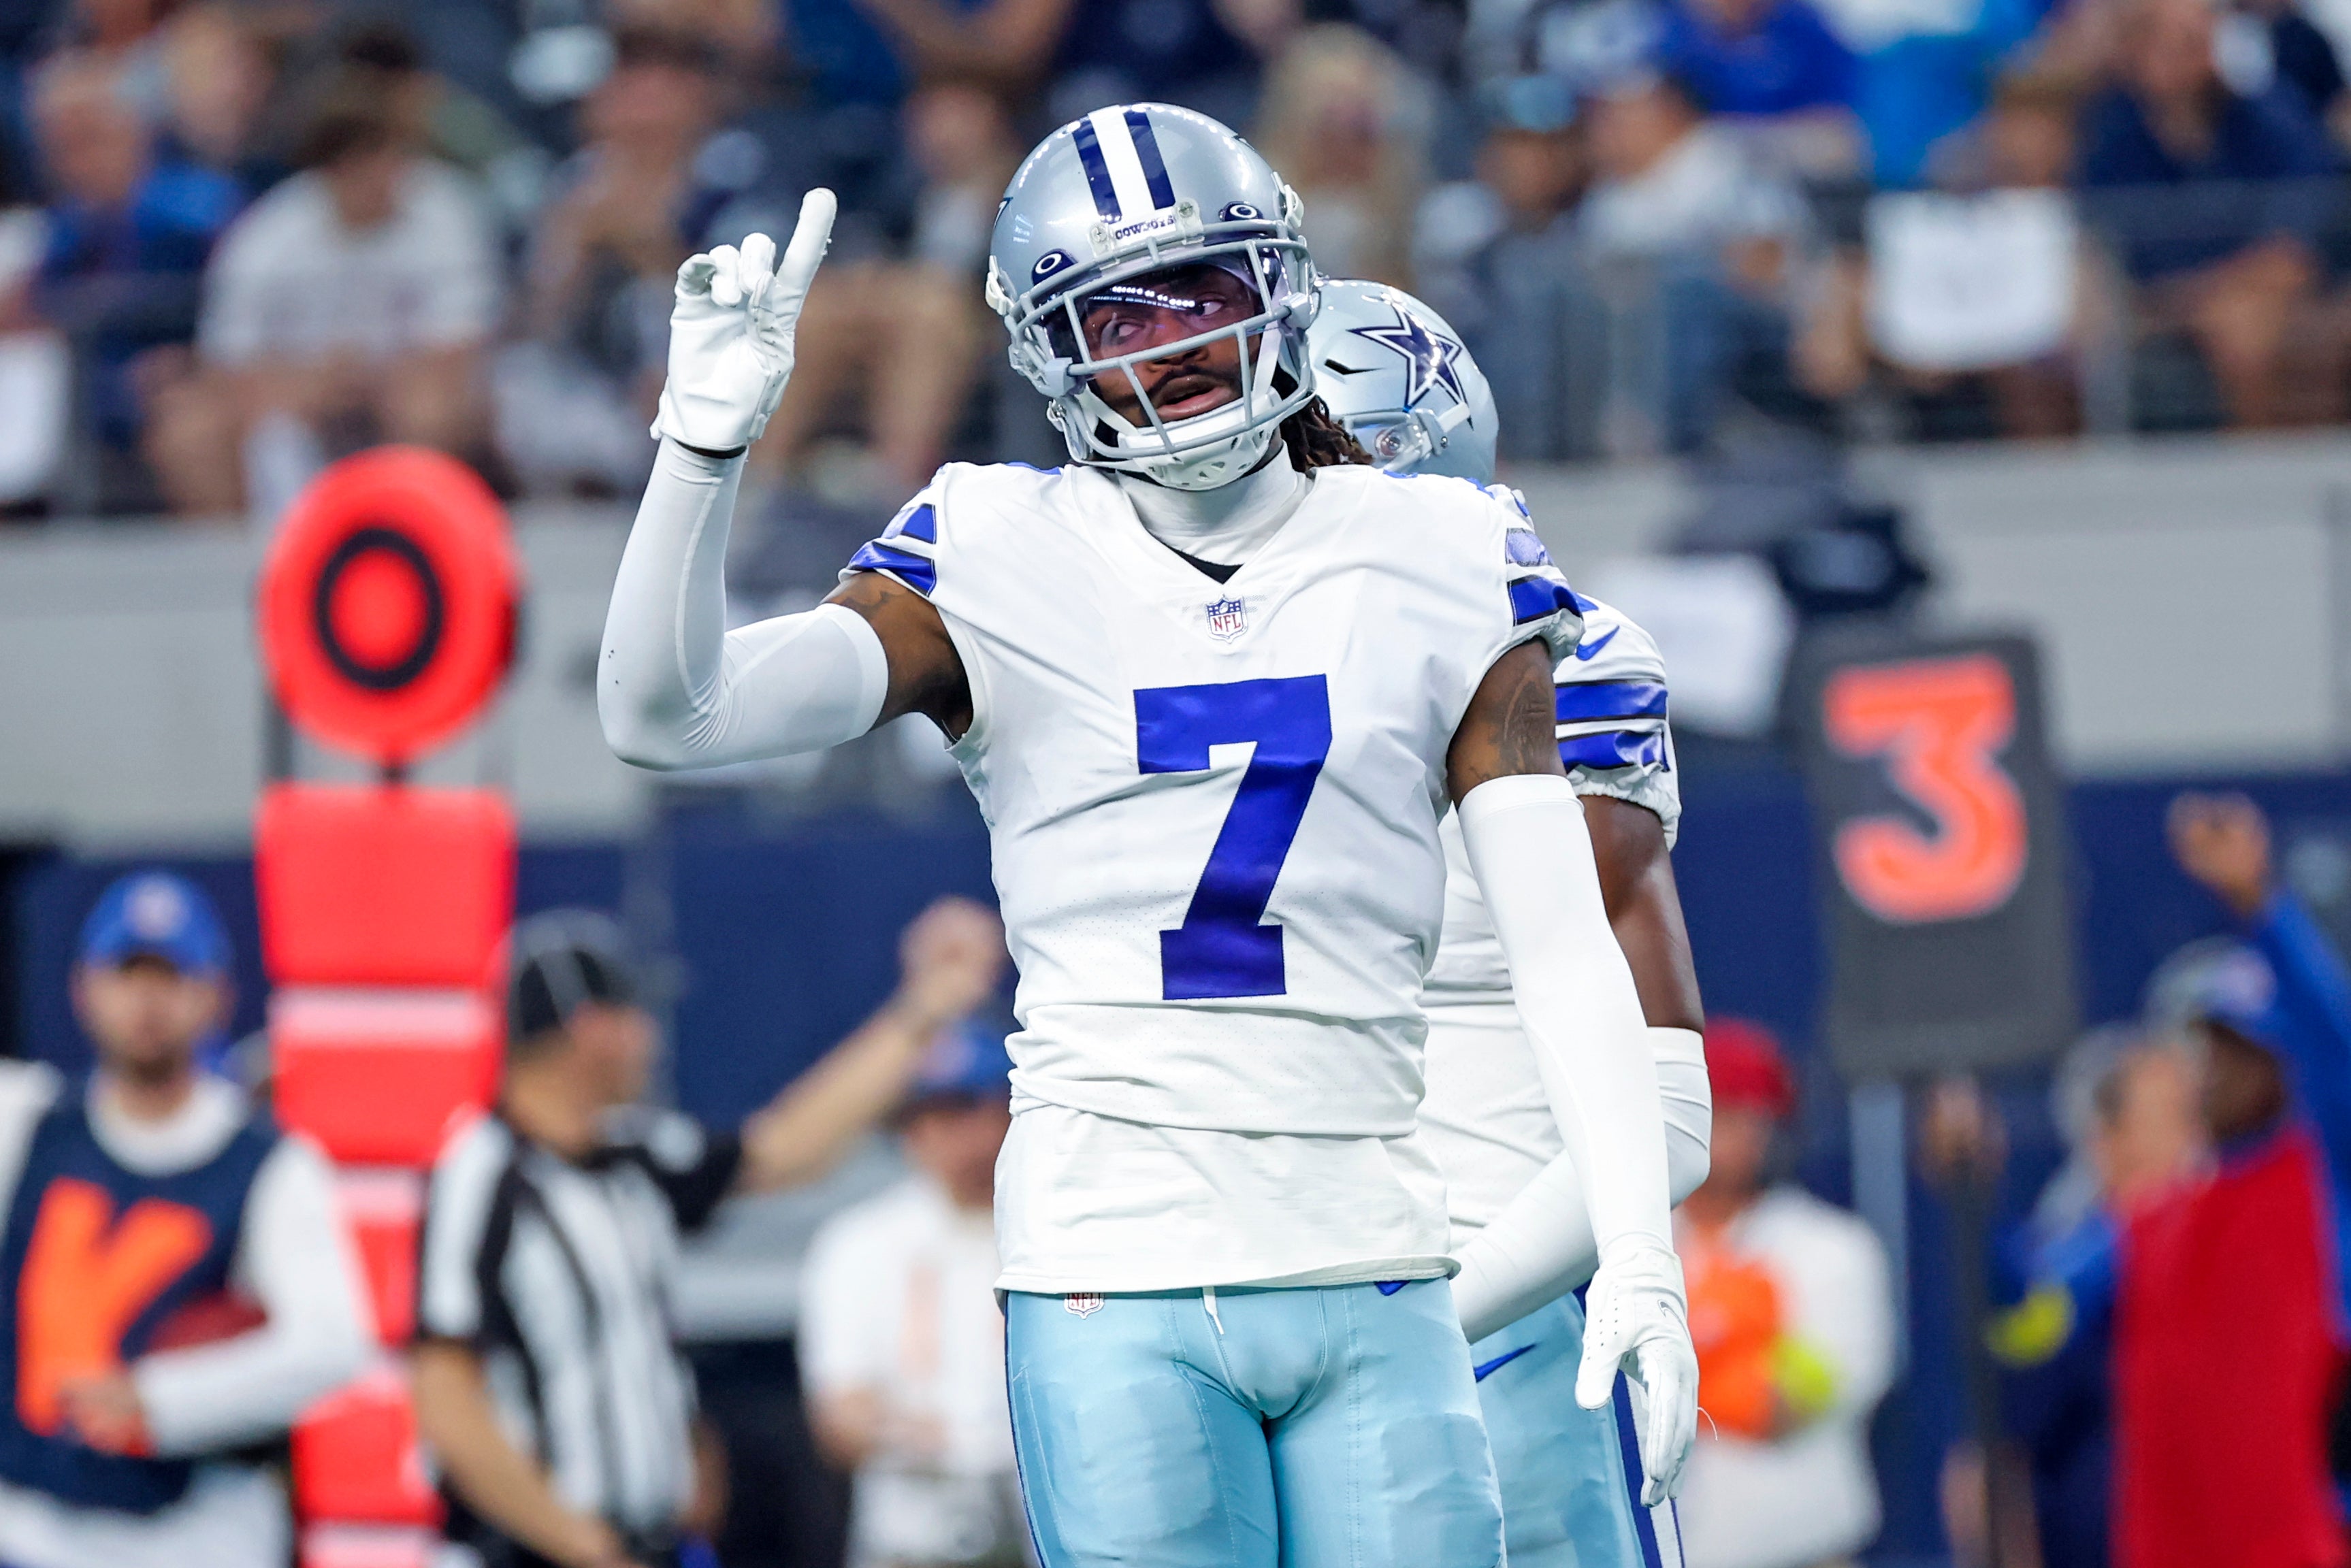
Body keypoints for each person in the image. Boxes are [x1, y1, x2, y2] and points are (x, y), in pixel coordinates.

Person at [597, 103, 1699, 1568]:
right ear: (1044, 344)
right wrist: (702, 447)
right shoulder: (991, 549)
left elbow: (1570, 956)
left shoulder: (1445, 555)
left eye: (1204, 294)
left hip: (1370, 1246)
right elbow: (670, 716)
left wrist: (1637, 1253)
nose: (1168, 346)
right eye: (1116, 312)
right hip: (1111, 1258)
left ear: (1285, 290)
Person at [1308, 274, 1715, 1568]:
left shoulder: (1566, 662)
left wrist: (1429, 1313)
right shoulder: (1190, 656)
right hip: (1268, 1297)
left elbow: (1667, 1120)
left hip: (1506, 1311)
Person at [412, 900, 1005, 1568]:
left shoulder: (633, 1156)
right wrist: (576, 1542)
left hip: (648, 1544)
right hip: (535, 1553)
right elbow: (447, 1397)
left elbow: (784, 1148)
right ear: (589, 1028)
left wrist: (921, 1013)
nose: (649, 1036)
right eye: (632, 1017)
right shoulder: (483, 1173)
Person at [0, 870, 372, 1568]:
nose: (148, 999)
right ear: (83, 987)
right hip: (28, 1525)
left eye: (173, 975)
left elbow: (334, 1343)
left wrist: (163, 1399)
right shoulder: (28, 1123)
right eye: (128, 972)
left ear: (218, 996)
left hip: (189, 1534)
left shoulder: (270, 1164)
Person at [2101, 793, 2351, 1568]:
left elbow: (2334, 1044)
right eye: (2212, 1050)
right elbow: (2038, 1307)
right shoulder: (2163, 1209)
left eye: (2245, 1053)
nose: (2218, 1073)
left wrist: (2259, 902)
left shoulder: (2322, 1172)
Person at [172, 78, 500, 513]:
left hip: (408, 384)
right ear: (332, 169)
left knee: (428, 406)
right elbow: (226, 360)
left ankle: (416, 534)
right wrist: (308, 386)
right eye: (362, 161)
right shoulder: (269, 235)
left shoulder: (444, 212)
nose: (384, 174)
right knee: (194, 431)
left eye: (390, 154)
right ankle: (252, 559)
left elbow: (461, 347)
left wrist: (371, 378)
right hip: (300, 394)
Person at [1670, 1019, 1894, 1568]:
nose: (1723, 1131)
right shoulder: (1630, 1250)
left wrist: (1673, 1364)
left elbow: (1779, 1404)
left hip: (1805, 1555)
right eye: (1709, 1110)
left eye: (1743, 1114)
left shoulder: (1833, 1248)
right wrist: (1729, 1339)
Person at [799, 1024, 1024, 1568]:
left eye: (977, 1111)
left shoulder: (1055, 1234)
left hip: (1039, 1538)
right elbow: (839, 1417)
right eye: (937, 1119)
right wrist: (936, 1437)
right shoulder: (860, 1242)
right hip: (913, 1544)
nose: (966, 1138)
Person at [2077, 0, 2344, 427]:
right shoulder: (2112, 138)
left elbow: (2292, 258)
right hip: (2154, 310)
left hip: (2275, 303)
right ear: (2132, 51)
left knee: (2247, 328)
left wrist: (2191, 300)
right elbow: (2100, 252)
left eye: (2198, 39)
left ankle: (2266, 473)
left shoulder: (2272, 121)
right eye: (2169, 41)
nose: (2188, 53)